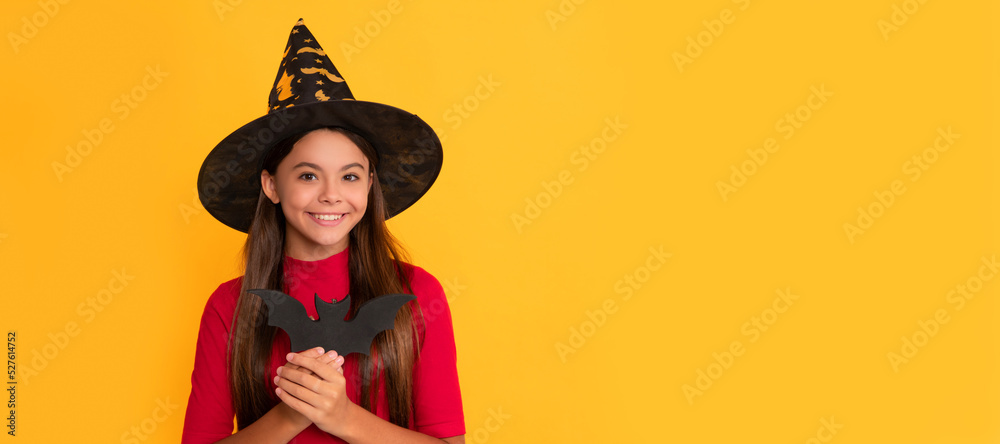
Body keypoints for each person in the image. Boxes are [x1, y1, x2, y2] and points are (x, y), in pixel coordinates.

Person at [182, 19, 464, 443]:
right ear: (272, 185)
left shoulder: (416, 295)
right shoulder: (230, 307)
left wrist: (344, 417)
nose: (332, 195)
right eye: (309, 176)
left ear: (371, 184)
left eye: (350, 177)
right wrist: (290, 417)